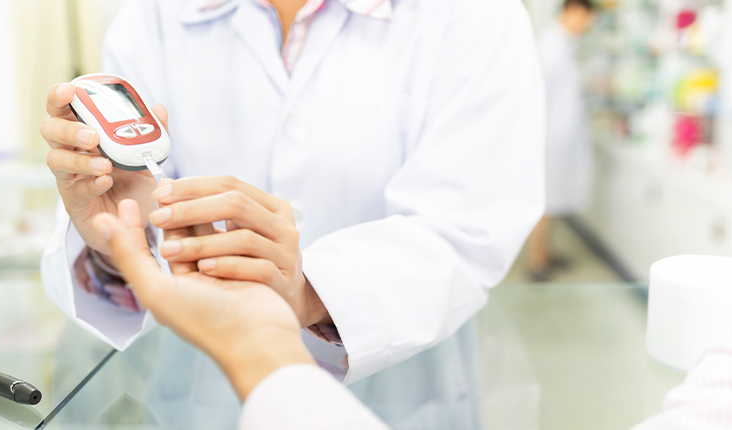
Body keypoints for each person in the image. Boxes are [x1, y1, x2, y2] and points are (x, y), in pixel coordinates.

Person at [40, 0, 545, 423]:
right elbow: (143, 193)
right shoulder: (155, 12)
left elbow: (468, 228)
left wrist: (302, 289)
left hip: (403, 396)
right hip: (206, 395)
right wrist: (118, 240)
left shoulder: (474, 14)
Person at [96, 200, 732, 430]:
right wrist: (111, 218)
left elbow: (474, 222)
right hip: (187, 385)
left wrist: (271, 334)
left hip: (410, 379)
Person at [528, 0, 596, 281]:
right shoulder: (551, 46)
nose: (588, 24)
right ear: (571, 11)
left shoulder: (565, 44)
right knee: (546, 202)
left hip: (561, 139)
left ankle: (547, 253)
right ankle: (536, 262)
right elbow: (535, 94)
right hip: (549, 140)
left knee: (554, 201)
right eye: (586, 17)